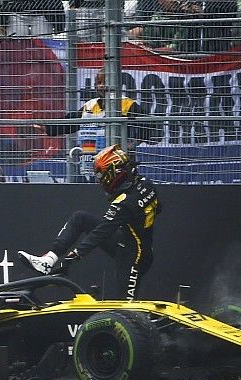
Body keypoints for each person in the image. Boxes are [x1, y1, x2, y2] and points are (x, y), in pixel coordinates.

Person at [18, 144, 161, 301]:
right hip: (126, 242)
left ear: (115, 172)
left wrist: (72, 258)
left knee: (126, 307)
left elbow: (100, 233)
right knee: (81, 218)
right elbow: (158, 208)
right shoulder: (147, 184)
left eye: (102, 176)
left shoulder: (124, 203)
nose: (101, 180)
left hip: (135, 257)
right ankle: (48, 260)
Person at [40, 67, 159, 182]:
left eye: (104, 82)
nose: (100, 86)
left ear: (115, 83)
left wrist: (133, 143)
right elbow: (71, 122)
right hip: (92, 164)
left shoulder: (127, 104)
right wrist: (47, 127)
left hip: (118, 166)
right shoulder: (90, 105)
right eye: (98, 82)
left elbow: (150, 125)